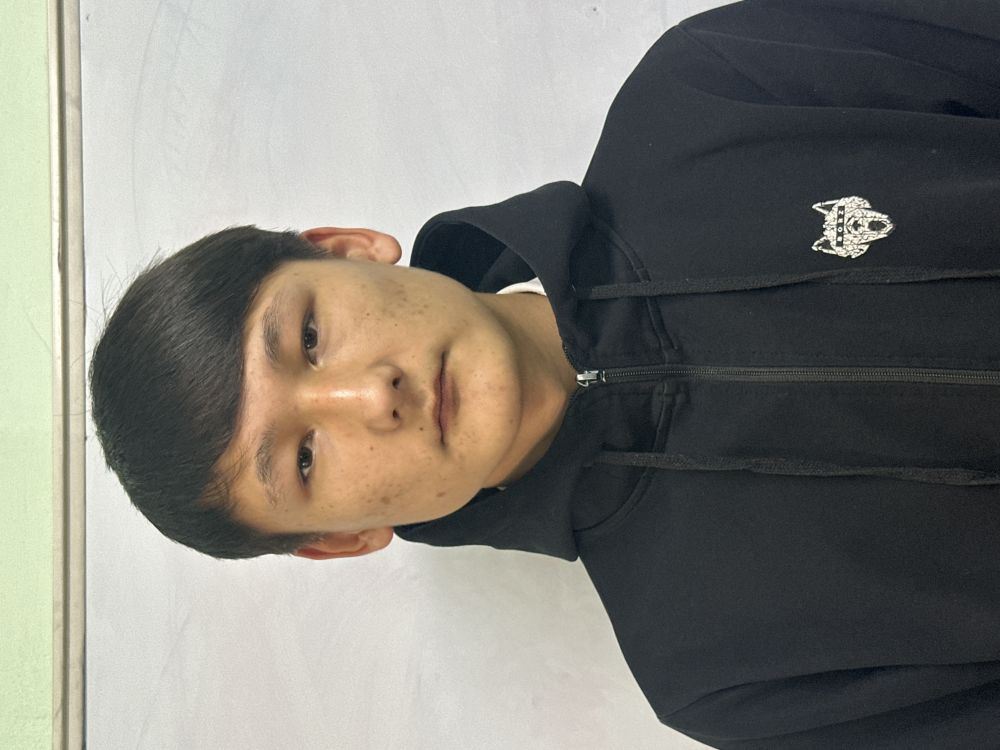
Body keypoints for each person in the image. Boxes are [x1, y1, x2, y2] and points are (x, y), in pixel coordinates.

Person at [90, 1, 1000, 746]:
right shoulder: (723, 673)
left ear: (349, 248)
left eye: (311, 334)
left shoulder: (709, 91)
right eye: (302, 458)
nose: (370, 396)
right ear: (344, 539)